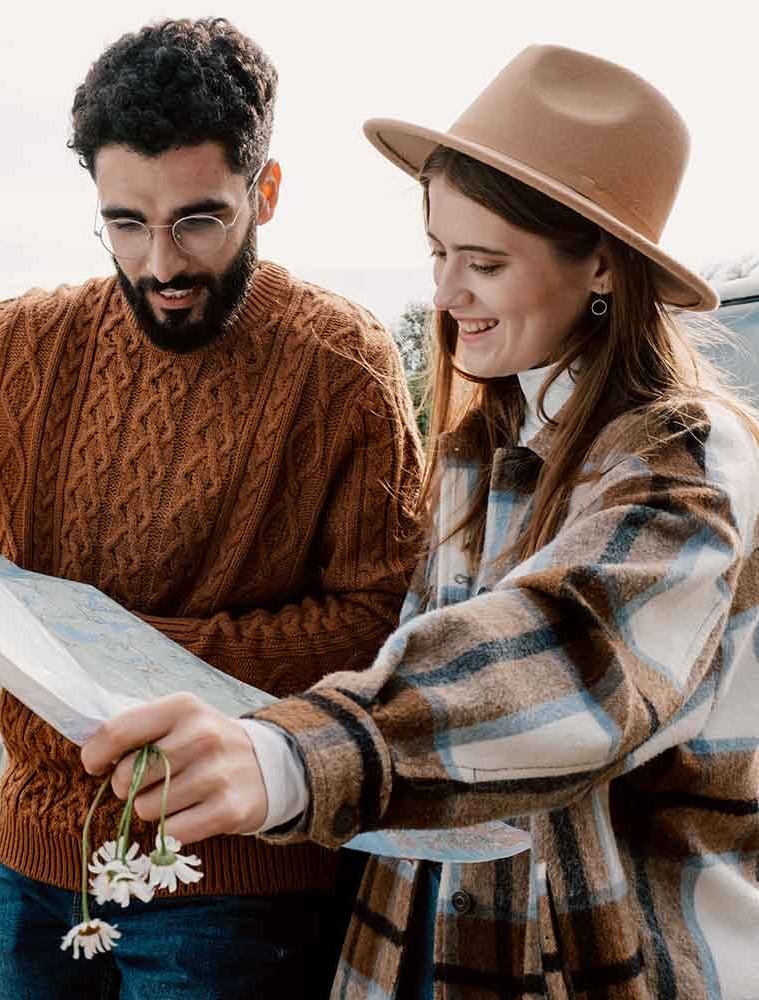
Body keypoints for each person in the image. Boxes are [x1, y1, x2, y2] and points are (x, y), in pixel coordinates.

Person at [0, 17, 425, 1000]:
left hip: (235, 884)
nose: (159, 262)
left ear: (264, 192)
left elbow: (378, 622)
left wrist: (113, 655)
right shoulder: (31, 345)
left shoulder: (343, 368)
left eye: (198, 219)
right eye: (125, 221)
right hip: (33, 870)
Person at [81, 45, 759, 999]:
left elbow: (570, 658)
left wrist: (290, 754)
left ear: (601, 264)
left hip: (614, 962)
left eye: (484, 263)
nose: (443, 297)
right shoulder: (485, 447)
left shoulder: (684, 459)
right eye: (439, 253)